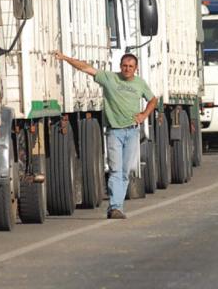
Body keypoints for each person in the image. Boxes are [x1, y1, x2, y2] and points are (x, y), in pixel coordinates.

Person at [55, 51, 157, 219]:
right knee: (116, 170)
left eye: (131, 66)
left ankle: (116, 206)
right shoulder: (109, 78)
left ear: (136, 69)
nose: (127, 69)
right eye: (124, 66)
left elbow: (153, 100)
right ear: (120, 66)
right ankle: (116, 207)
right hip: (114, 132)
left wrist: (144, 115)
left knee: (125, 172)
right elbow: (86, 68)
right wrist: (65, 58)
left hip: (132, 132)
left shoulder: (140, 83)